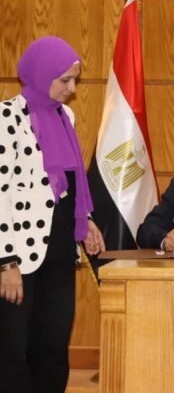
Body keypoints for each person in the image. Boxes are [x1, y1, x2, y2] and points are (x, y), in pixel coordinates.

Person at [0, 36, 105, 393]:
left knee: (53, 347)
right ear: (41, 73)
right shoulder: (7, 117)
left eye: (75, 80)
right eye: (65, 80)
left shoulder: (65, 116)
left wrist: (85, 220)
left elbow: (64, 184)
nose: (72, 89)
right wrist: (5, 263)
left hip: (59, 251)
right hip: (18, 256)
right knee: (12, 349)